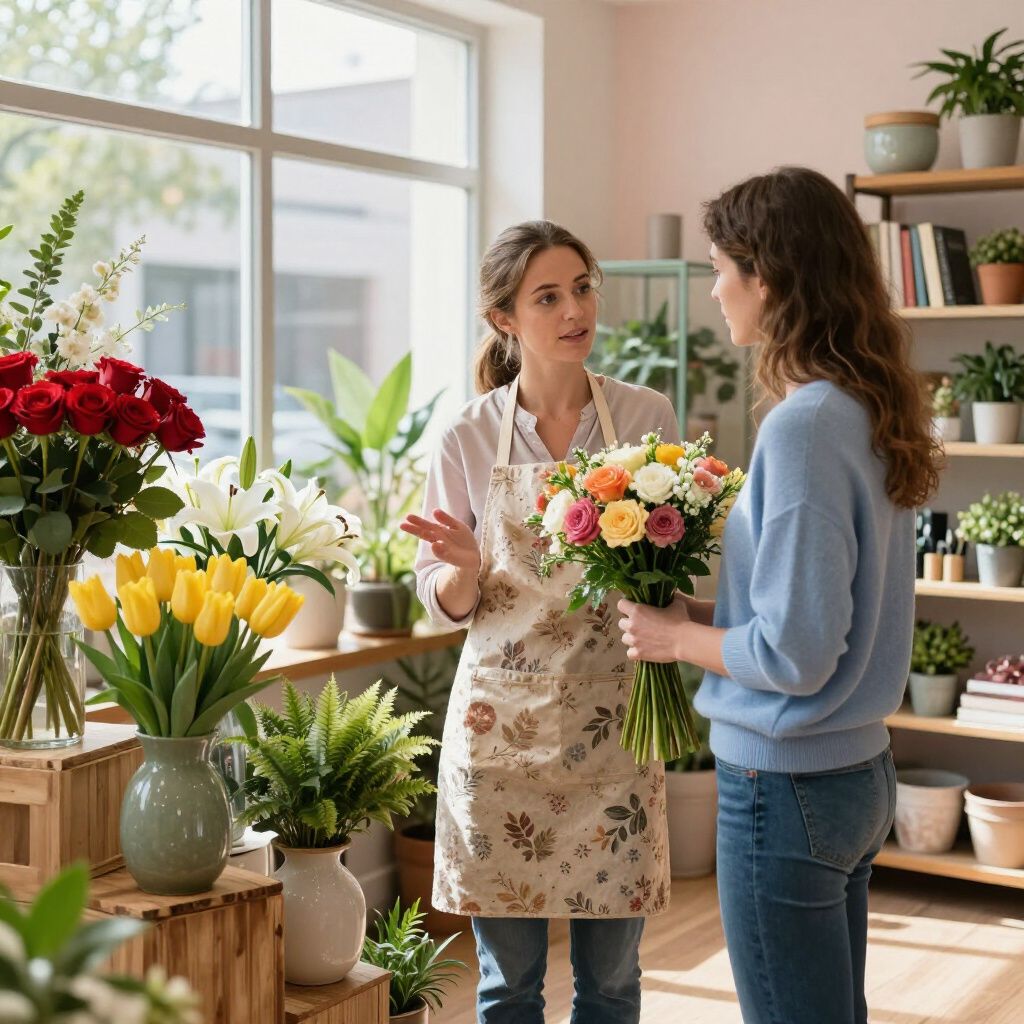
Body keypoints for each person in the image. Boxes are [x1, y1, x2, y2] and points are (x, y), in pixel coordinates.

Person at [616, 167, 942, 1024]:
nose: (716, 287)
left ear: (771, 276)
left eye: (723, 265)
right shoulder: (868, 406)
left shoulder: (802, 426)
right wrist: (689, 616)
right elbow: (821, 613)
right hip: (856, 772)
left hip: (786, 785)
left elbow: (795, 655)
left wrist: (672, 642)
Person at [401, 220, 680, 1024]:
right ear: (505, 319)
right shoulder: (467, 434)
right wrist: (460, 568)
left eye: (583, 288)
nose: (573, 310)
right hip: (500, 740)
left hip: (617, 733)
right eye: (548, 296)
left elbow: (673, 564)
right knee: (507, 988)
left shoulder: (644, 416)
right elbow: (445, 600)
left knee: (614, 987)